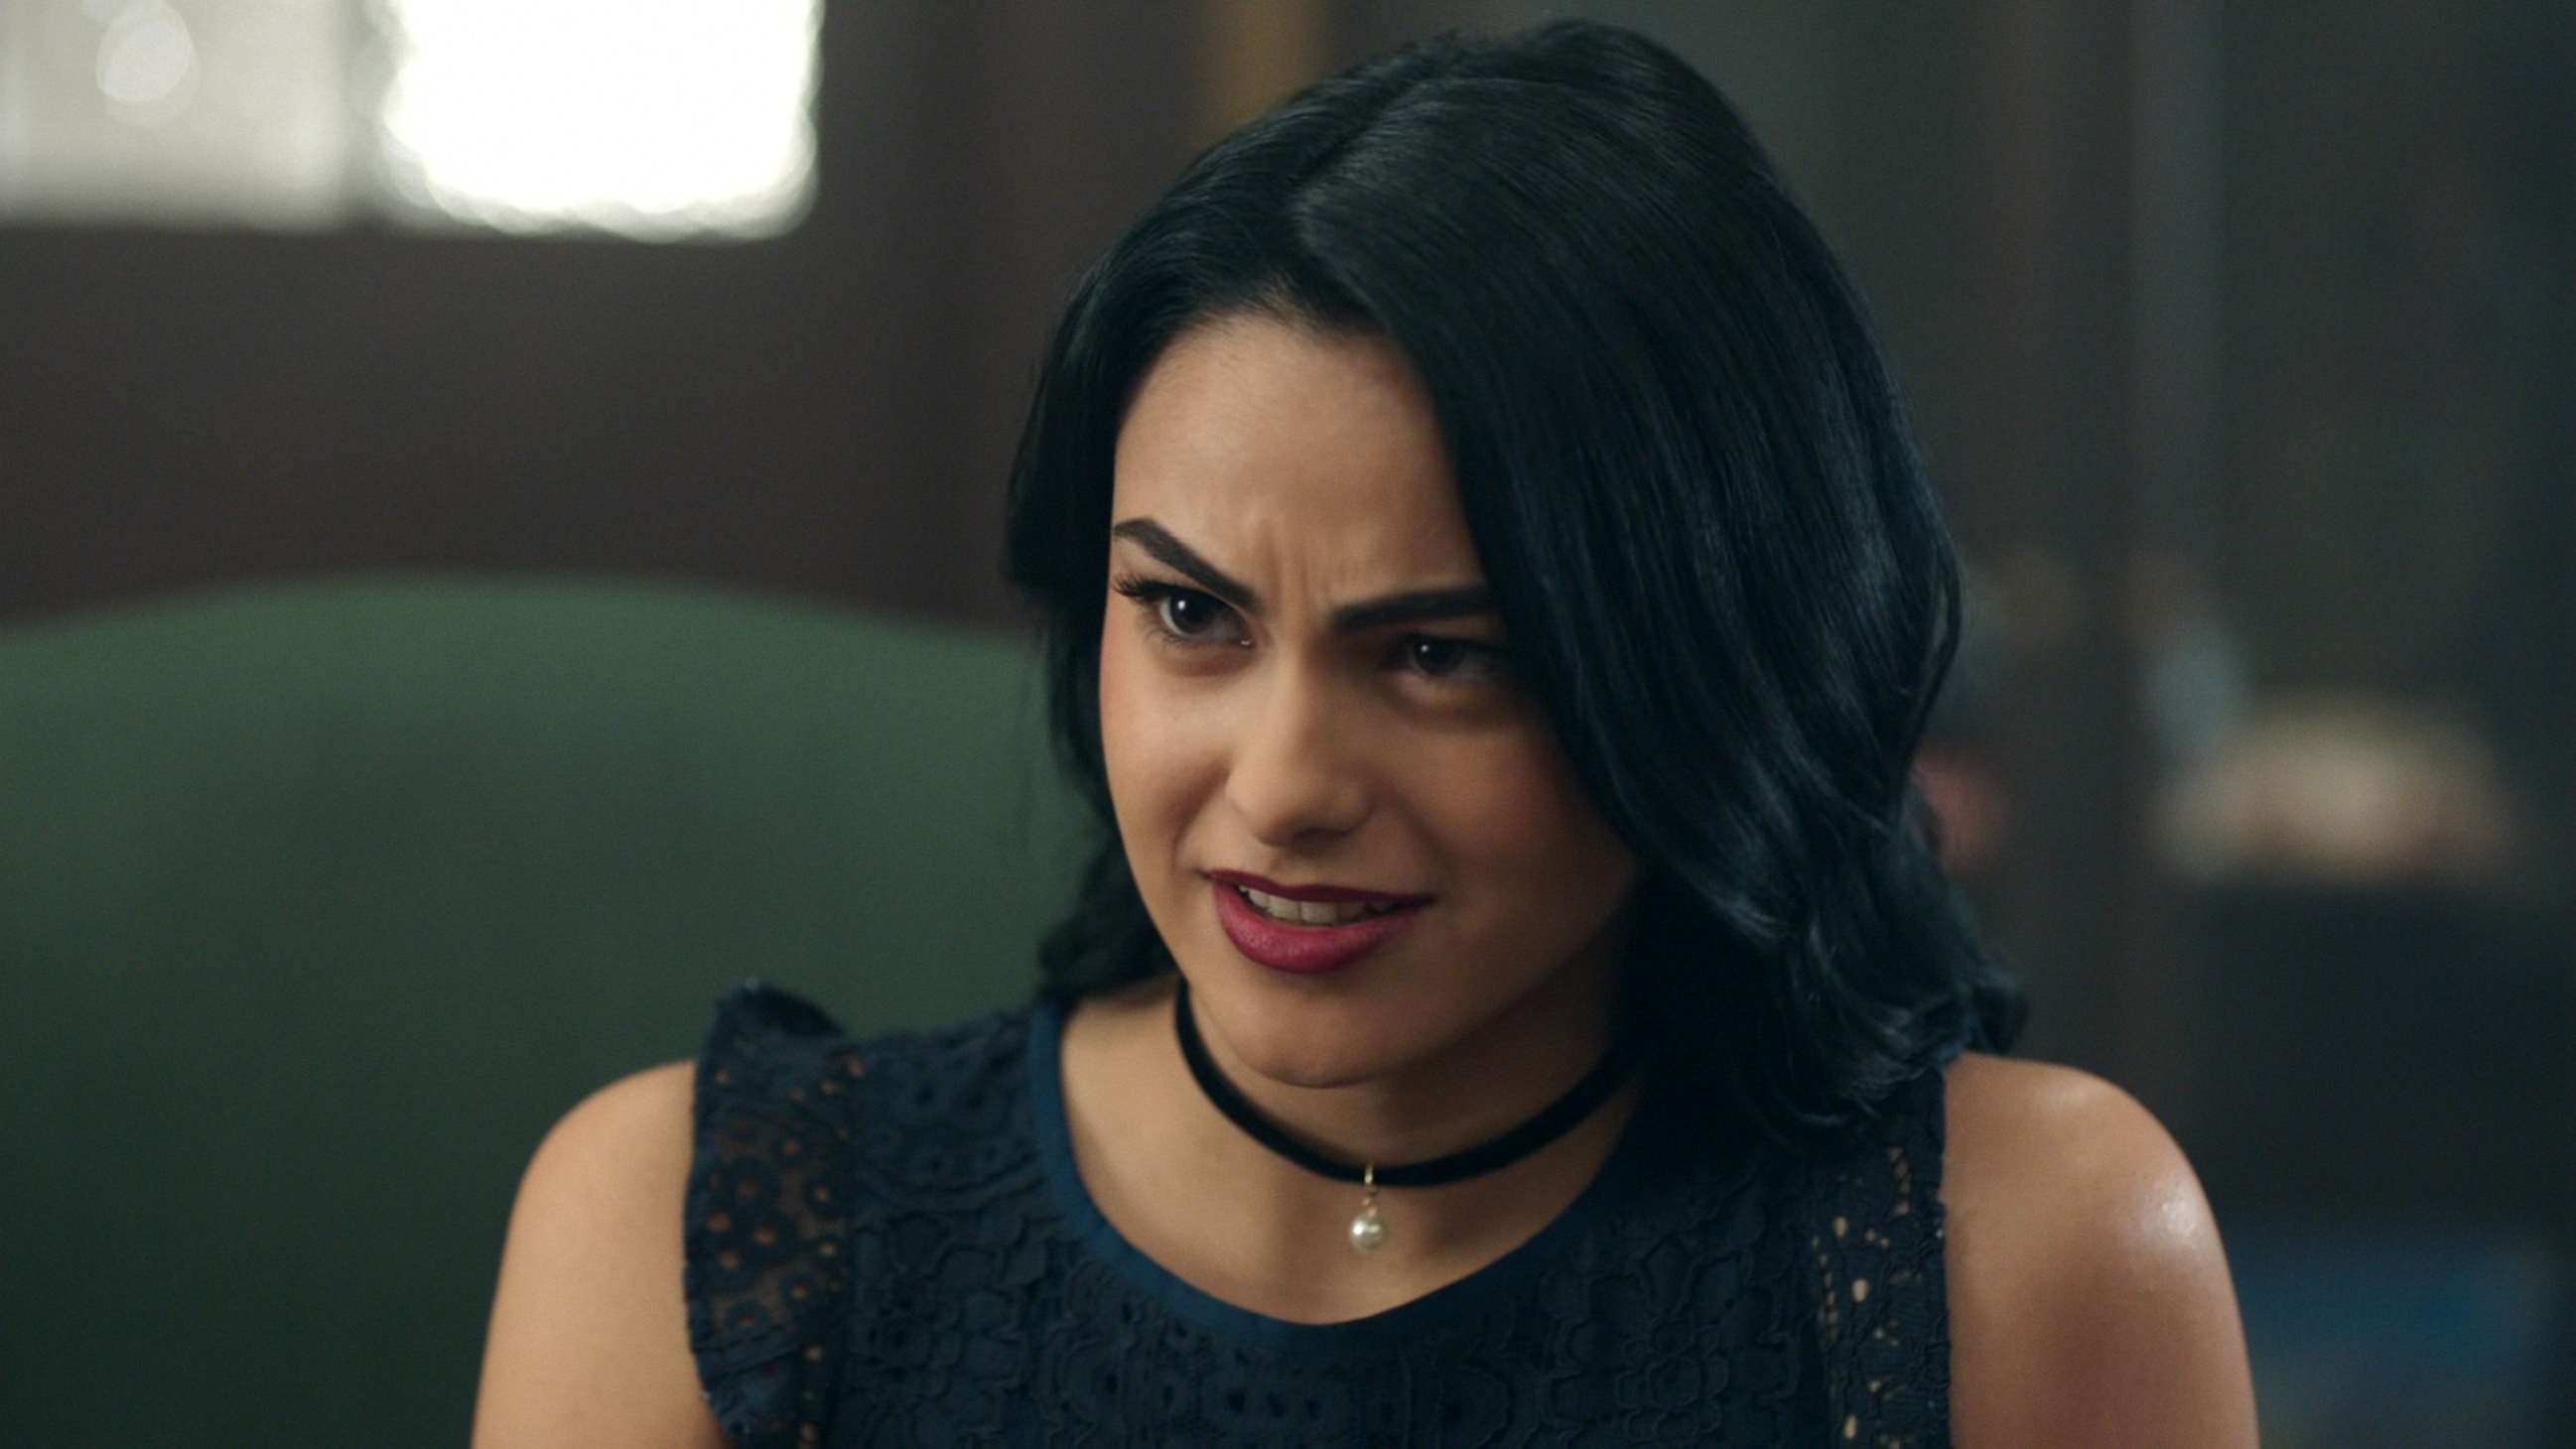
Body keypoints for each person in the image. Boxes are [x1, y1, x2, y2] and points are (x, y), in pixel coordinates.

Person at [471, 21, 2256, 1446]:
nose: (1282, 787)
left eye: (1437, 655)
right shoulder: (705, 1237)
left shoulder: (2016, 1256)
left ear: (1707, 668)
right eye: (1191, 617)